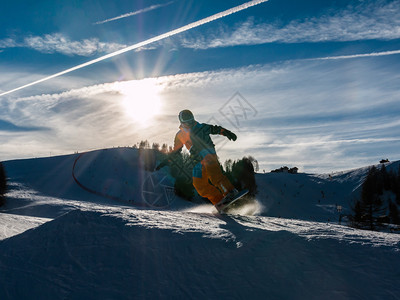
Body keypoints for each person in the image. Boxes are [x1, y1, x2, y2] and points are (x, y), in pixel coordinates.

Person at [156, 109, 238, 207]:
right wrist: (167, 160)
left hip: (208, 154)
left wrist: (227, 132)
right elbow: (176, 152)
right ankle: (219, 201)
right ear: (181, 121)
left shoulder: (201, 127)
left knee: (214, 175)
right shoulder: (179, 135)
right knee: (199, 185)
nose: (190, 123)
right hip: (197, 161)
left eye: (191, 120)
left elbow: (215, 129)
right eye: (187, 121)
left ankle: (230, 191)